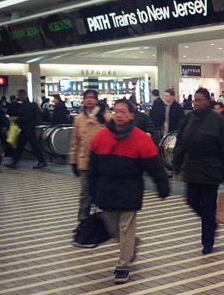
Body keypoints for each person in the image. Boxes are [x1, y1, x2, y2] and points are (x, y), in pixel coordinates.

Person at [88, 99, 169, 284]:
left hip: (130, 190)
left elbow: (154, 166)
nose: (119, 115)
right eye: (116, 111)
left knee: (126, 228)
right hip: (106, 190)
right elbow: (93, 168)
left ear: (132, 115)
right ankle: (131, 245)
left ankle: (123, 266)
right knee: (113, 228)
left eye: (123, 111)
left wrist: (162, 188)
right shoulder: (101, 137)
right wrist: (91, 190)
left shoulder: (140, 138)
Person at [172, 88, 224, 255]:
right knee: (191, 200)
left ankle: (207, 242)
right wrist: (176, 165)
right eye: (195, 100)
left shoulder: (218, 121)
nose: (196, 103)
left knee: (208, 206)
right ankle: (211, 223)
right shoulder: (188, 119)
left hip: (211, 170)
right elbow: (180, 144)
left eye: (200, 100)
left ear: (208, 101)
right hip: (192, 168)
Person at [70, 90, 111, 230]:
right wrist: (73, 161)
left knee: (103, 193)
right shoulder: (79, 119)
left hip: (102, 163)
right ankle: (83, 222)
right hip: (84, 162)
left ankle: (106, 223)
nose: (89, 100)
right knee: (85, 194)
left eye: (92, 98)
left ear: (96, 100)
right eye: (86, 98)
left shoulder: (106, 117)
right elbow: (75, 141)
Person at [5, 89, 47, 169]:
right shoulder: (25, 105)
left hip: (29, 128)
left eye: (20, 95)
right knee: (22, 146)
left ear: (24, 95)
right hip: (26, 128)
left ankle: (41, 161)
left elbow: (29, 117)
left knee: (32, 145)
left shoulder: (29, 105)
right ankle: (15, 162)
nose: (19, 96)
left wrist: (18, 119)